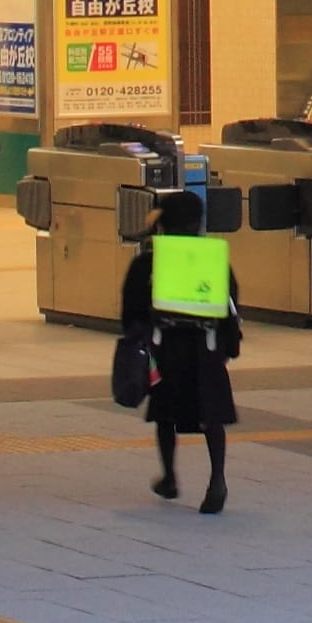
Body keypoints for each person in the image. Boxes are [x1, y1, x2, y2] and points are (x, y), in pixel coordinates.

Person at [122, 182, 245, 514]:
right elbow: (231, 305)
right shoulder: (214, 260)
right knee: (211, 417)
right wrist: (228, 348)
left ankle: (170, 476)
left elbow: (131, 310)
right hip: (207, 349)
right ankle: (217, 478)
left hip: (166, 348)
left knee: (165, 415)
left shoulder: (149, 261)